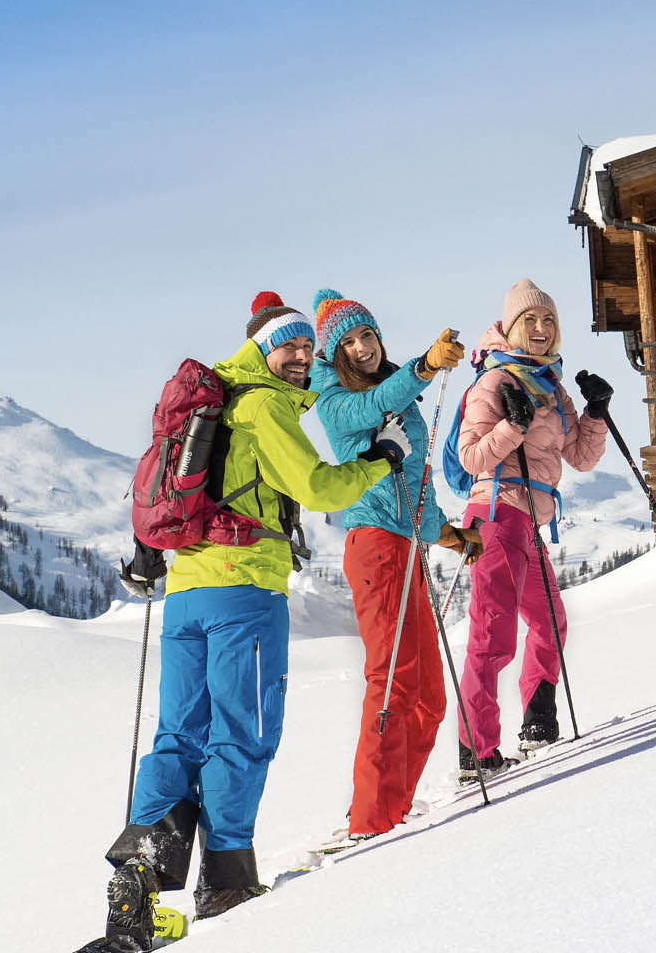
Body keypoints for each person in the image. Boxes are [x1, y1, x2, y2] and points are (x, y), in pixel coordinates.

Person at [87, 292, 403, 953]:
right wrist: (383, 459)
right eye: (288, 345)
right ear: (262, 346)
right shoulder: (260, 405)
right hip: (244, 593)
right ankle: (226, 881)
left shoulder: (215, 398)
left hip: (187, 594)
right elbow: (318, 487)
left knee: (178, 736)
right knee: (242, 733)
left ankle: (137, 883)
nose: (298, 358)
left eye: (305, 350)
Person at [306, 288, 484, 844]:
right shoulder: (335, 401)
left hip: (406, 545)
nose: (361, 347)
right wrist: (427, 366)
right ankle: (371, 821)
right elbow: (371, 406)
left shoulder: (398, 401)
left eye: (367, 335)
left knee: (429, 693)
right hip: (374, 547)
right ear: (334, 356)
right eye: (349, 342)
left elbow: (418, 486)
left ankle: (393, 809)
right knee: (392, 683)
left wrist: (453, 537)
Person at [453, 278, 613, 782]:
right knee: (492, 637)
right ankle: (475, 750)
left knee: (550, 623)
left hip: (529, 523)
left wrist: (595, 414)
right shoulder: (492, 383)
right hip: (495, 518)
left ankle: (539, 722)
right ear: (513, 326)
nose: (541, 329)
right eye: (531, 321)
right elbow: (471, 456)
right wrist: (512, 426)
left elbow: (582, 458)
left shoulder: (551, 386)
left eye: (548, 321)